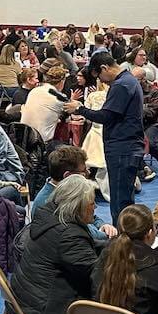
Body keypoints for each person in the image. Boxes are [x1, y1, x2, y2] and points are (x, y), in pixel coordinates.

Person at [10, 176, 98, 314]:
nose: (95, 208)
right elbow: (95, 274)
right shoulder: (69, 235)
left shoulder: (48, 216)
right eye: (92, 203)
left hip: (23, 302)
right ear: (77, 206)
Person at [64, 53, 144, 223]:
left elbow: (105, 117)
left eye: (100, 77)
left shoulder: (121, 85)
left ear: (104, 68)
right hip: (127, 146)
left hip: (122, 148)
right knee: (123, 198)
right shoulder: (128, 80)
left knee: (119, 201)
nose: (103, 82)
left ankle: (121, 240)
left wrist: (80, 109)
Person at [31, 145, 115, 241]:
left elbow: (92, 217)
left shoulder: (68, 191)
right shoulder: (48, 203)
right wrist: (108, 235)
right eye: (83, 171)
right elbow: (84, 232)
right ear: (68, 175)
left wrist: (103, 225)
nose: (87, 174)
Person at [134, 67, 158, 179]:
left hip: (154, 124)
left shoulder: (154, 91)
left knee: (150, 142)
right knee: (130, 141)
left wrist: (135, 110)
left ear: (143, 79)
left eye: (135, 79)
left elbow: (152, 111)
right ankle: (144, 167)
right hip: (136, 124)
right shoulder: (130, 90)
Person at [20, 64, 67, 143]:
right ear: (62, 82)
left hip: (24, 138)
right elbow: (67, 117)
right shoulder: (59, 98)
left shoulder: (34, 91)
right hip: (42, 143)